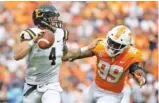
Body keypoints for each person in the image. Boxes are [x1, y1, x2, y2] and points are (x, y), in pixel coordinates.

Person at [64, 25, 146, 103]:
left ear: (125, 46)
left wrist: (140, 76)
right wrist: (85, 48)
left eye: (116, 44)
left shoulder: (131, 55)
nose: (112, 46)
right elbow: (77, 54)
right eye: (111, 42)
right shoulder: (100, 45)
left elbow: (136, 68)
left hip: (112, 94)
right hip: (94, 87)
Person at [13, 4, 68, 103]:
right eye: (52, 17)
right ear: (42, 18)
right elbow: (17, 56)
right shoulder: (31, 33)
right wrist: (33, 41)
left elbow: (65, 54)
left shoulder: (61, 33)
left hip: (51, 85)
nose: (56, 20)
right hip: (31, 86)